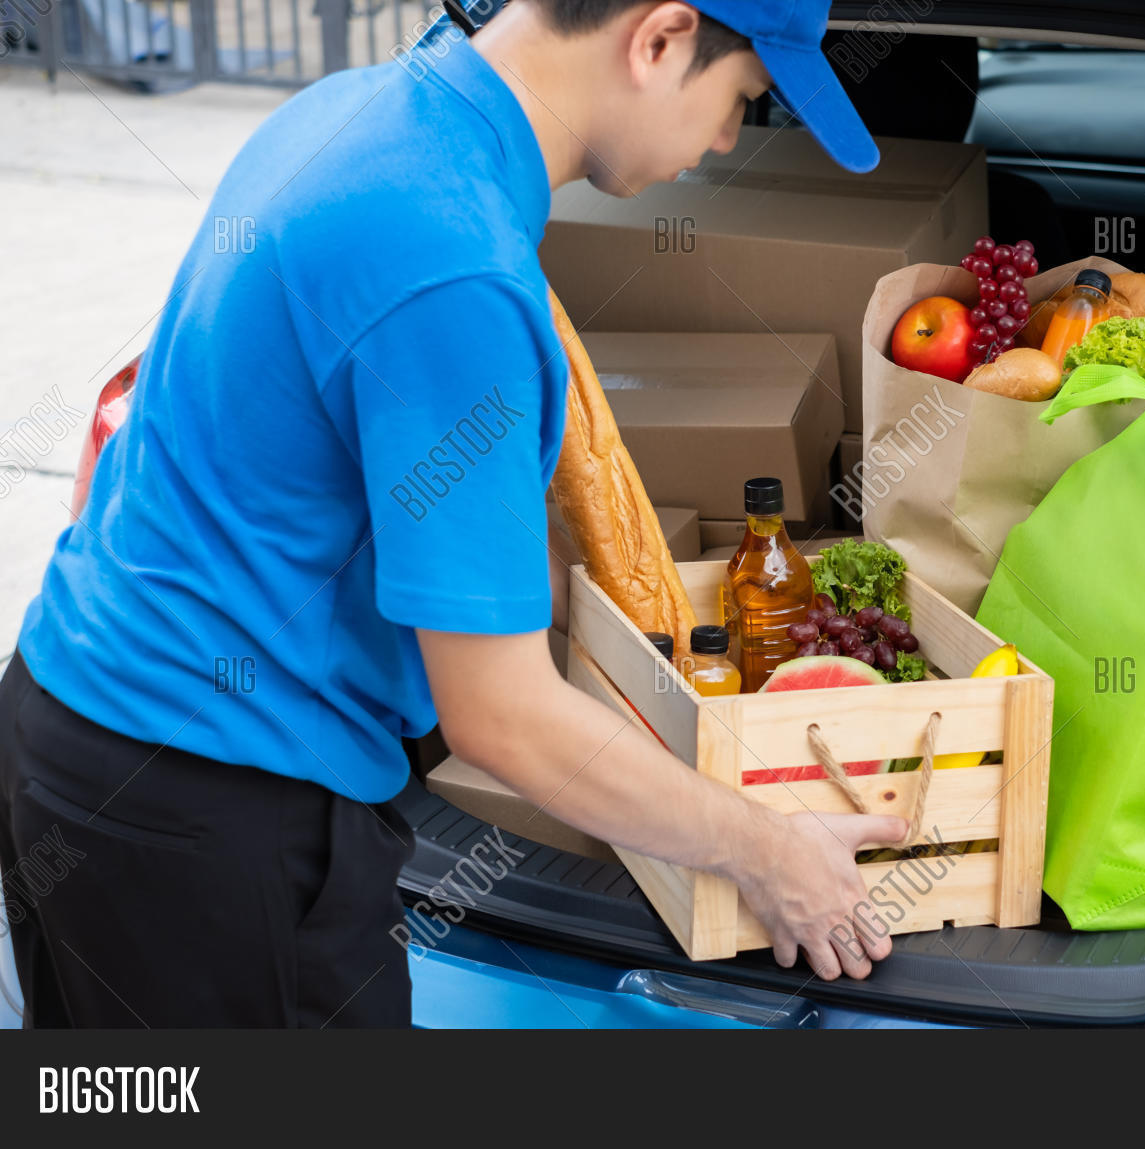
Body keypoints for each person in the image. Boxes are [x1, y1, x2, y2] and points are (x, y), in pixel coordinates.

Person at [0, 0, 907, 1028]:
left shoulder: (359, 112)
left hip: (73, 730)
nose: (726, 141)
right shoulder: (456, 266)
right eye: (742, 99)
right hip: (206, 812)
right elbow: (503, 717)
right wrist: (768, 848)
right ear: (658, 40)